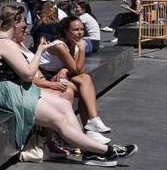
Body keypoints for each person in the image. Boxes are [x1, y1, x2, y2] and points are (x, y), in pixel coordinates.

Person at [0, 5, 136, 167]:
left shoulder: (5, 42)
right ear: (16, 23)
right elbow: (28, 74)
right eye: (24, 22)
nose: (26, 26)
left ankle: (90, 153)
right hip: (6, 92)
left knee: (64, 105)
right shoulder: (5, 43)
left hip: (15, 88)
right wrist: (39, 51)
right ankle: (106, 151)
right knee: (59, 119)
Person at [39, 14, 113, 142]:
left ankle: (92, 125)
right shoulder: (60, 46)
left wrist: (65, 69)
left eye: (81, 29)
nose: (79, 33)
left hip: (59, 74)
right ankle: (91, 127)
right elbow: (78, 69)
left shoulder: (74, 43)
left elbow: (77, 69)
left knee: (85, 81)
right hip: (45, 77)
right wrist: (82, 49)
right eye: (75, 30)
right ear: (66, 31)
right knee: (84, 84)